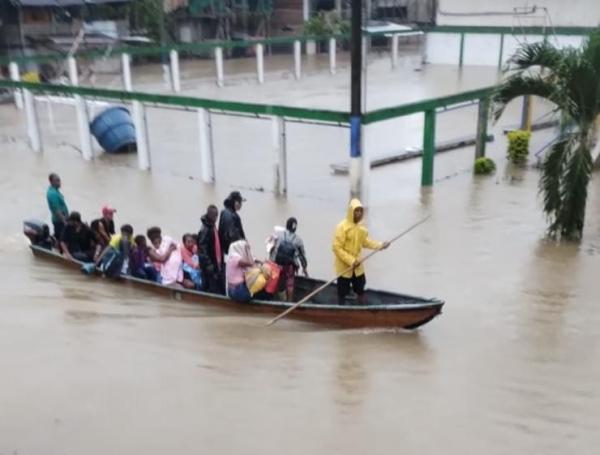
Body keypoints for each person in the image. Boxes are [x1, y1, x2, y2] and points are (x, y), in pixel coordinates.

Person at [332, 199, 389, 306]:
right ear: (351, 212)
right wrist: (351, 260)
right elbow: (336, 248)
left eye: (360, 211)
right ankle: (341, 311)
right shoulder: (342, 227)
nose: (358, 213)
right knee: (342, 292)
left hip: (358, 266)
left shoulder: (361, 228)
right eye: (356, 211)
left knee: (360, 289)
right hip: (344, 267)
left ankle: (363, 309)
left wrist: (381, 245)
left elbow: (366, 242)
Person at [269, 217, 309, 301]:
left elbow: (270, 247)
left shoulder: (278, 234)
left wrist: (270, 262)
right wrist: (304, 268)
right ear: (295, 227)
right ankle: (289, 302)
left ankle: (272, 299)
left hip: (277, 264)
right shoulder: (298, 240)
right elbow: (302, 256)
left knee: (275, 280)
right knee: (289, 283)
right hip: (289, 266)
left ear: (286, 225)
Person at [197, 204, 224, 294]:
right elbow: (202, 250)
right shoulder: (205, 229)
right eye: (213, 215)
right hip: (209, 267)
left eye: (216, 215)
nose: (215, 217)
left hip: (216, 265)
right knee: (211, 289)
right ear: (208, 214)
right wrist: (209, 266)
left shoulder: (212, 226)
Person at [219, 191, 246, 257]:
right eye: (239, 202)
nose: (241, 204)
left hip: (226, 249)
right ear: (235, 202)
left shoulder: (225, 212)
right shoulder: (230, 215)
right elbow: (233, 235)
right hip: (230, 251)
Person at [46, 173, 69, 241]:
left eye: (59, 180)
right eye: (57, 181)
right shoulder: (52, 193)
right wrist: (64, 222)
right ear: (52, 182)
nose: (59, 182)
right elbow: (57, 210)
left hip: (62, 219)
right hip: (59, 220)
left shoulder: (55, 191)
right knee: (62, 239)